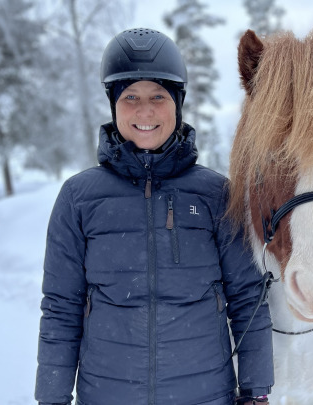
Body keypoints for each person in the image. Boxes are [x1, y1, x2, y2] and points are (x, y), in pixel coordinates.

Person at [34, 28, 274, 405]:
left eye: (157, 96)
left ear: (177, 103)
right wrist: (52, 397)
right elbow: (61, 307)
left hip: (205, 396)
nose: (144, 111)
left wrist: (256, 391)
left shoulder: (215, 194)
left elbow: (248, 298)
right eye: (130, 96)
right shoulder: (79, 198)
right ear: (113, 104)